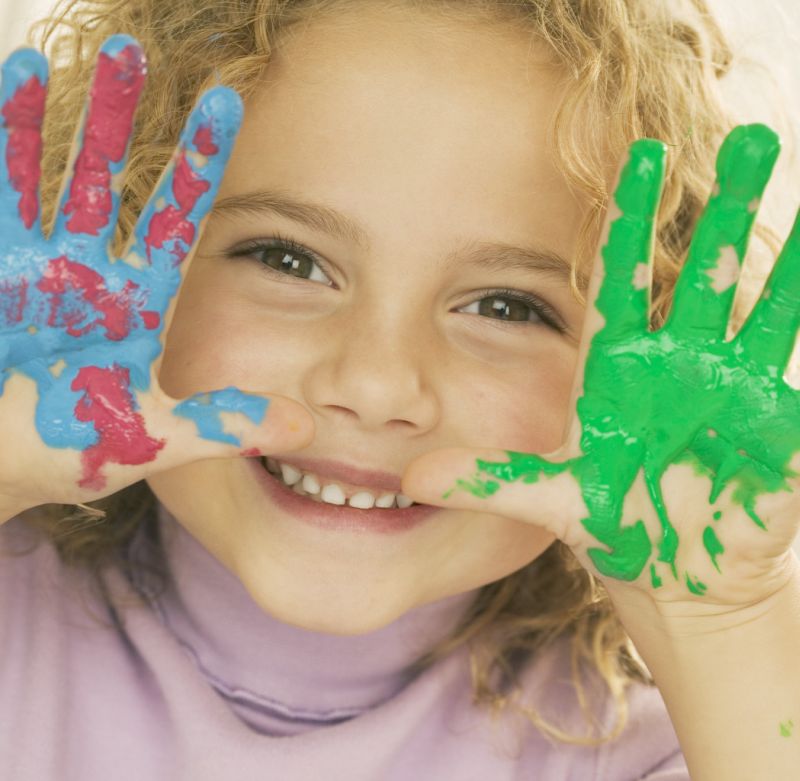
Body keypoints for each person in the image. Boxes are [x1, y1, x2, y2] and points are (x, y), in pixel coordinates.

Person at [0, 0, 797, 778]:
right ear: (125, 239)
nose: (377, 385)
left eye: (506, 307)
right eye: (288, 260)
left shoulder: (671, 750)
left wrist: (718, 624)